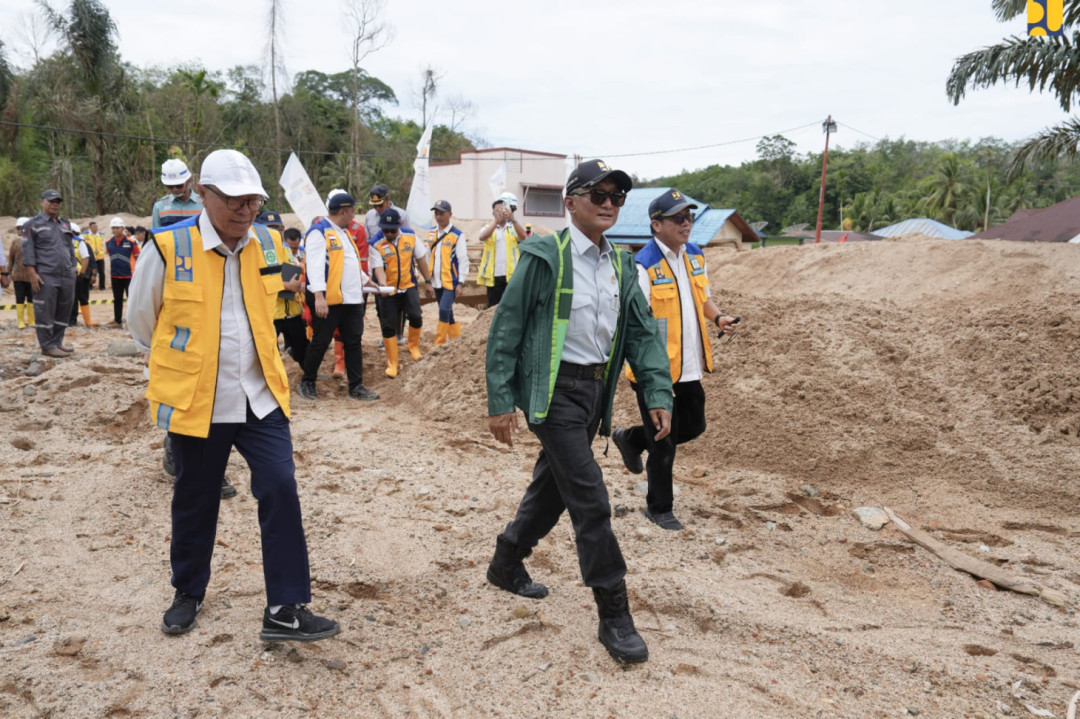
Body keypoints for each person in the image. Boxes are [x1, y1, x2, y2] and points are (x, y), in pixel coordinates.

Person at [128, 149, 339, 642]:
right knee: (196, 498)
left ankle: (285, 607)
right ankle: (188, 591)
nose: (244, 211)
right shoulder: (168, 247)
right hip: (199, 398)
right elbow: (141, 321)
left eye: (253, 202)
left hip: (259, 394)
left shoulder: (266, 243)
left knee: (281, 487)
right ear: (204, 193)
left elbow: (282, 301)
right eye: (234, 201)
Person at [484, 159, 673, 664]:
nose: (609, 203)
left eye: (617, 196)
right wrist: (501, 399)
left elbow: (639, 333)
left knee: (554, 486)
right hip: (553, 393)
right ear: (571, 203)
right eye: (598, 195)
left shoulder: (623, 264)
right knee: (591, 499)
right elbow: (508, 327)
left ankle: (506, 561)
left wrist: (656, 392)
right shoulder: (545, 255)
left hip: (594, 395)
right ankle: (614, 612)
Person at [611, 189, 740, 531]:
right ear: (656, 225)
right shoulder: (644, 265)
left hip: (689, 365)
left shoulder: (695, 255)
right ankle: (659, 507)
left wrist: (719, 318)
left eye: (689, 217)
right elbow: (637, 323)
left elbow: (703, 300)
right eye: (678, 218)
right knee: (664, 443)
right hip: (655, 371)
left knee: (694, 424)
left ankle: (632, 439)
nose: (687, 224)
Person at [299, 192, 381, 402]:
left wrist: (365, 279)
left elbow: (348, 261)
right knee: (321, 340)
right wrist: (318, 296)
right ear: (343, 211)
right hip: (329, 299)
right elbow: (314, 266)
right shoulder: (319, 232)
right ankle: (307, 381)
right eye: (352, 211)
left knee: (353, 341)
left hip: (351, 299)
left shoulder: (343, 233)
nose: (354, 215)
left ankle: (356, 386)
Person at [370, 208, 434, 377]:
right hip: (388, 290)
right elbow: (378, 268)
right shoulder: (375, 243)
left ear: (399, 225)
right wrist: (383, 286)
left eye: (392, 230)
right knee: (389, 325)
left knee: (416, 316)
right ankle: (393, 363)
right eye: (385, 230)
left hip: (408, 285)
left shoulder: (410, 236)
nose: (389, 233)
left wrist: (428, 282)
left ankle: (413, 347)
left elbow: (420, 259)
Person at [22, 189, 77, 358]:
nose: (55, 204)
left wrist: (74, 269)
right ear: (42, 202)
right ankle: (47, 345)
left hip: (66, 275)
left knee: (64, 310)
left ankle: (57, 342)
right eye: (51, 201)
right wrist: (32, 273)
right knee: (45, 311)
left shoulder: (65, 224)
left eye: (58, 201)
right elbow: (28, 250)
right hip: (46, 275)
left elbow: (70, 248)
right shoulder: (32, 225)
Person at [258, 211, 309, 369]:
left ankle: (308, 377)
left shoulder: (287, 250)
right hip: (270, 314)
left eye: (277, 228)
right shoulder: (255, 251)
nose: (274, 232)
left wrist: (300, 285)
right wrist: (287, 286)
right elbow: (256, 281)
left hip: (292, 310)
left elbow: (295, 271)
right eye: (269, 228)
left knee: (303, 348)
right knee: (266, 353)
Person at [364, 184, 411, 341]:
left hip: (397, 264)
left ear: (388, 200)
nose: (377, 208)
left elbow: (407, 240)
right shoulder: (370, 216)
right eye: (375, 205)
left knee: (399, 300)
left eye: (380, 205)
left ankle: (398, 334)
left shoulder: (401, 215)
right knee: (381, 302)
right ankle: (387, 335)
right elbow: (367, 239)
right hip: (378, 262)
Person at [426, 200, 468, 346]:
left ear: (450, 214)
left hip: (451, 281)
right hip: (436, 280)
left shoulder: (457, 235)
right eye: (436, 213)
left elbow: (463, 260)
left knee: (444, 309)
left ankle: (440, 344)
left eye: (442, 213)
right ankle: (456, 341)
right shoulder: (431, 233)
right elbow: (428, 256)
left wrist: (461, 282)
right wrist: (427, 280)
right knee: (447, 312)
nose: (438, 217)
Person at [477, 194, 526, 307]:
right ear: (493, 213)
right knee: (493, 306)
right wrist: (496, 222)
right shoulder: (488, 227)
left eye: (502, 209)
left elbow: (523, 237)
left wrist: (513, 219)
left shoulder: (513, 227)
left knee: (511, 305)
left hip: (512, 274)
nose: (500, 212)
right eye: (497, 210)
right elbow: (482, 237)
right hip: (493, 275)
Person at [105, 216, 139, 326]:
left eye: (117, 228)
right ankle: (117, 320)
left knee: (132, 300)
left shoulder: (131, 242)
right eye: (113, 228)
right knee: (117, 299)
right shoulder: (108, 242)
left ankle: (133, 321)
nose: (115, 230)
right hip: (115, 275)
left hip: (129, 276)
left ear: (123, 228)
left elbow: (138, 257)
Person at [152, 159, 203, 229]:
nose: (175, 190)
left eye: (179, 186)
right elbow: (156, 235)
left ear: (188, 181)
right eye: (170, 187)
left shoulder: (203, 204)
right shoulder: (159, 207)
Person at [67, 223, 97, 327]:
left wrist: (82, 274)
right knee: (71, 299)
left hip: (79, 276)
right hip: (68, 275)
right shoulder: (62, 242)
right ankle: (71, 321)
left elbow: (87, 258)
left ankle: (87, 321)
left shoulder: (80, 243)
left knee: (82, 298)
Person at [9, 218, 35, 330]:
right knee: (24, 298)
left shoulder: (32, 241)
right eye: (18, 228)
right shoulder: (16, 242)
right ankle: (25, 321)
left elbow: (11, 260)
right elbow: (11, 258)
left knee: (27, 297)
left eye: (20, 228)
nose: (19, 230)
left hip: (27, 275)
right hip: (23, 275)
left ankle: (27, 320)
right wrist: (8, 273)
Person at [84, 221, 106, 290]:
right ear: (90, 227)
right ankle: (89, 286)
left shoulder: (101, 235)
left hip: (100, 257)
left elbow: (104, 245)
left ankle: (102, 286)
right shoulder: (85, 235)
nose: (95, 228)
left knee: (101, 273)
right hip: (91, 257)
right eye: (94, 226)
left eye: (96, 226)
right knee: (90, 273)